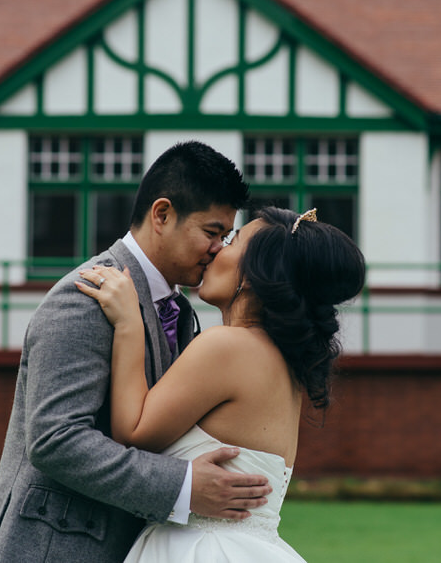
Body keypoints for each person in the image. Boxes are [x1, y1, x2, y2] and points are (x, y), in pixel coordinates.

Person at [0, 141, 271, 563]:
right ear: (162, 215)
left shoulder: (182, 311)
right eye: (211, 232)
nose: (219, 249)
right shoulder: (84, 297)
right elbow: (56, 440)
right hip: (50, 549)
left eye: (225, 236)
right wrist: (183, 486)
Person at [76, 206, 366, 562]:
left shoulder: (228, 346)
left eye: (232, 240)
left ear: (256, 273)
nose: (215, 249)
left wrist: (129, 325)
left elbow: (132, 431)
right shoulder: (279, 361)